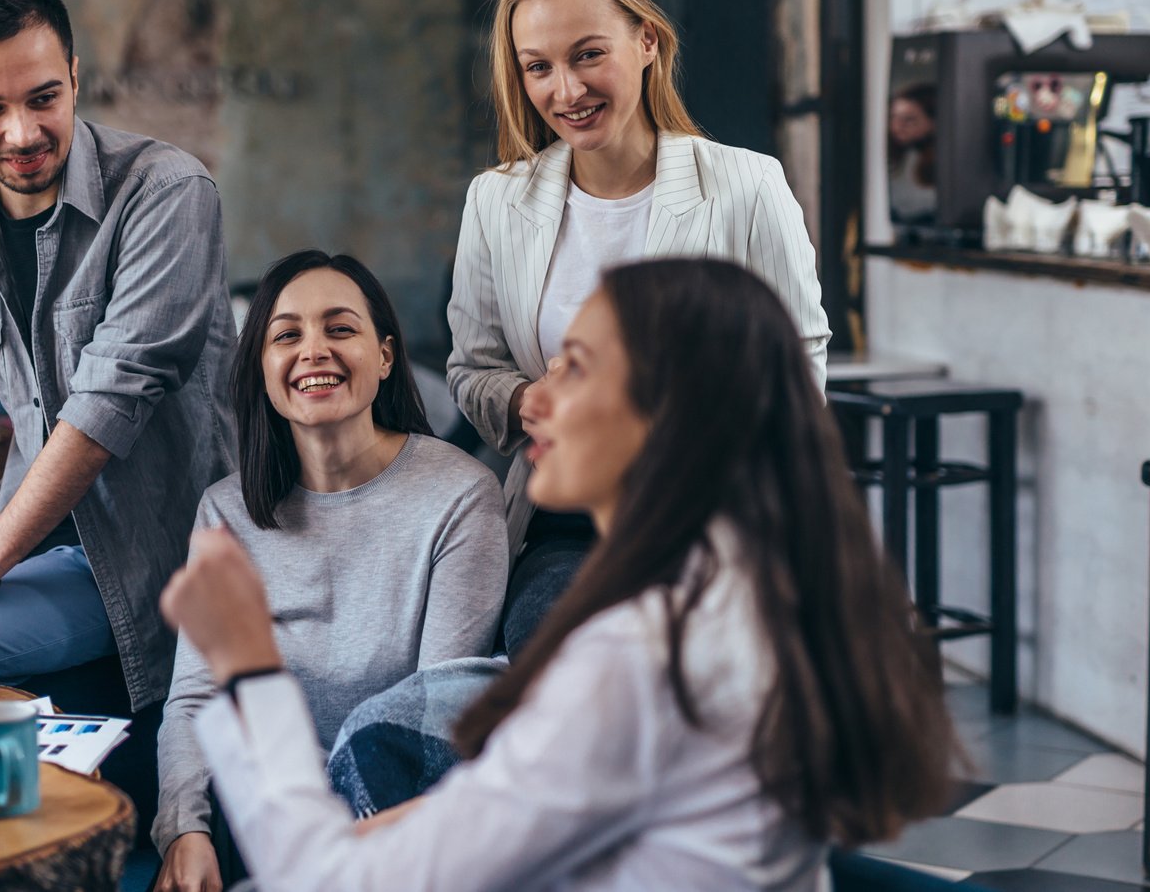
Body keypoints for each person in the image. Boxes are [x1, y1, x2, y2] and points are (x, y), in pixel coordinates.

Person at [161, 257, 955, 892]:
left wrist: (249, 666)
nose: (532, 404)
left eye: (573, 368)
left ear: (666, 410)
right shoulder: (739, 590)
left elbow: (326, 873)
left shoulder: (640, 659)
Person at [446, 0, 831, 651]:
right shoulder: (497, 203)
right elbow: (472, 368)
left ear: (646, 41)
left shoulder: (747, 186)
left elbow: (798, 364)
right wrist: (522, 400)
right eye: (539, 67)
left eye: (588, 54)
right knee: (562, 650)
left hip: (717, 512)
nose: (566, 90)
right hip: (568, 525)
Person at [0, 0, 238, 713]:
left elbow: (105, 405)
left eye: (43, 98)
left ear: (75, 77)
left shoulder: (166, 192)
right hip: (18, 556)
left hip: (152, 557)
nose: (23, 133)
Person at [155, 250, 508, 892]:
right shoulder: (225, 510)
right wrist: (185, 829)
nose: (313, 350)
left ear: (385, 356)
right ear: (262, 369)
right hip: (253, 815)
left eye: (340, 328)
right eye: (286, 335)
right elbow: (194, 698)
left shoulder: (460, 495)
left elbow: (426, 724)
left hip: (386, 826)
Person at [886, 84, 937, 225]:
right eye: (893, 118)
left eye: (909, 120)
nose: (897, 127)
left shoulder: (943, 163)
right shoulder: (894, 159)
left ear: (933, 123)